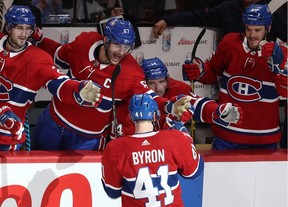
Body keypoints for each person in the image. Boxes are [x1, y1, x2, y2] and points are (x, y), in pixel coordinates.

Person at [31, 18, 192, 150]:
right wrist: (41, 41)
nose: (121, 52)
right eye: (117, 45)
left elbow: (148, 96)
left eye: (126, 47)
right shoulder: (84, 43)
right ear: (106, 40)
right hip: (53, 121)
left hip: (87, 138)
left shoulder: (131, 72)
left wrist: (170, 107)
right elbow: (60, 54)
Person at [182, 4, 287, 150]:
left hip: (264, 138)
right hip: (227, 135)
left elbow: (284, 92)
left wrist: (280, 68)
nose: (252, 35)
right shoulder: (230, 43)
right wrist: (200, 71)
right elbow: (212, 71)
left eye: (257, 30)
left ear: (267, 29)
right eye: (248, 29)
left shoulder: (280, 53)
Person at [0, 5, 102, 151]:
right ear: (9, 28)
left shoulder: (37, 59)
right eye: (19, 28)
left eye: (28, 28)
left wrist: (77, 89)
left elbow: (58, 82)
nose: (24, 33)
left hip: (8, 135)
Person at [101, 93, 204, 207]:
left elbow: (112, 192)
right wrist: (186, 136)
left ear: (130, 117)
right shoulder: (175, 138)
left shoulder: (115, 148)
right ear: (155, 115)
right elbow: (194, 172)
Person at [110, 57, 242, 138]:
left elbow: (196, 103)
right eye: (152, 83)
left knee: (174, 128)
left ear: (167, 79)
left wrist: (217, 112)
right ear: (144, 82)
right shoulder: (134, 93)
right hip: (135, 150)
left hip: (164, 152)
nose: (159, 88)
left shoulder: (176, 88)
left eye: (162, 81)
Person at [153, 0, 287, 42]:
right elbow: (197, 16)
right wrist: (167, 20)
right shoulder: (228, 8)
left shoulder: (271, 11)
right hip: (233, 71)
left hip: (262, 71)